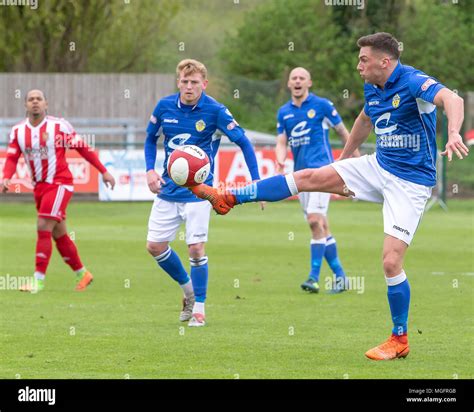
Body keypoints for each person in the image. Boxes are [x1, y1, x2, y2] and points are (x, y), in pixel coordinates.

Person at [190, 33, 469, 359]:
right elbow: (366, 118)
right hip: (378, 166)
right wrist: (345, 157)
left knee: (391, 262)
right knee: (309, 176)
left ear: (385, 61)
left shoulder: (413, 81)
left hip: (411, 182)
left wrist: (452, 133)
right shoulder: (373, 87)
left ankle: (400, 339)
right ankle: (229, 198)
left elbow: (454, 100)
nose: (358, 65)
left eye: (364, 60)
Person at [144, 59, 260, 327]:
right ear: (178, 83)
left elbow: (244, 142)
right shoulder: (164, 107)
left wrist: (256, 183)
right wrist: (150, 170)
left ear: (204, 84)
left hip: (199, 193)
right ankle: (188, 291)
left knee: (195, 248)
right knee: (155, 246)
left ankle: (200, 309)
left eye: (194, 82)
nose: (188, 86)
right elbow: (150, 138)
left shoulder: (215, 111)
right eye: (184, 81)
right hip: (167, 191)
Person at [1, 89, 116, 293]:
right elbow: (11, 158)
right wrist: (6, 177)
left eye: (39, 99)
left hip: (60, 183)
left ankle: (38, 281)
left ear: (46, 104)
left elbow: (83, 148)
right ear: (25, 105)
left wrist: (103, 171)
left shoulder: (59, 126)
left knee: (43, 224)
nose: (35, 102)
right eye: (31, 99)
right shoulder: (18, 131)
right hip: (39, 187)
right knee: (58, 233)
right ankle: (83, 273)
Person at [275, 67, 356, 294]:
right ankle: (341, 277)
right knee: (321, 225)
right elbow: (282, 141)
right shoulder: (284, 112)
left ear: (309, 82)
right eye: (294, 78)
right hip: (301, 177)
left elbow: (344, 132)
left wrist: (356, 162)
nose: (298, 81)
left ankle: (313, 277)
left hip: (323, 173)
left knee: (313, 221)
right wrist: (280, 160)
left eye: (302, 78)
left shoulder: (322, 106)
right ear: (289, 84)